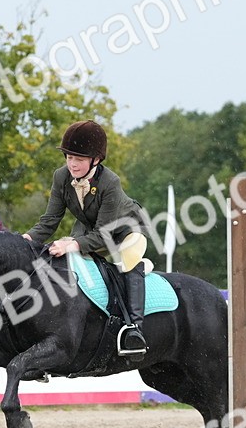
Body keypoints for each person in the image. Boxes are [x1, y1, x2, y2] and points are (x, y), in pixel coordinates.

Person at [23, 120, 151, 356]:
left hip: (125, 231)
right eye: (69, 157)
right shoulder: (61, 177)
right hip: (90, 228)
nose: (72, 164)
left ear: (96, 159)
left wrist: (72, 244)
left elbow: (104, 234)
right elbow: (50, 219)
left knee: (128, 262)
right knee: (61, 256)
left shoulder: (110, 182)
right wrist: (26, 239)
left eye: (79, 159)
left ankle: (134, 331)